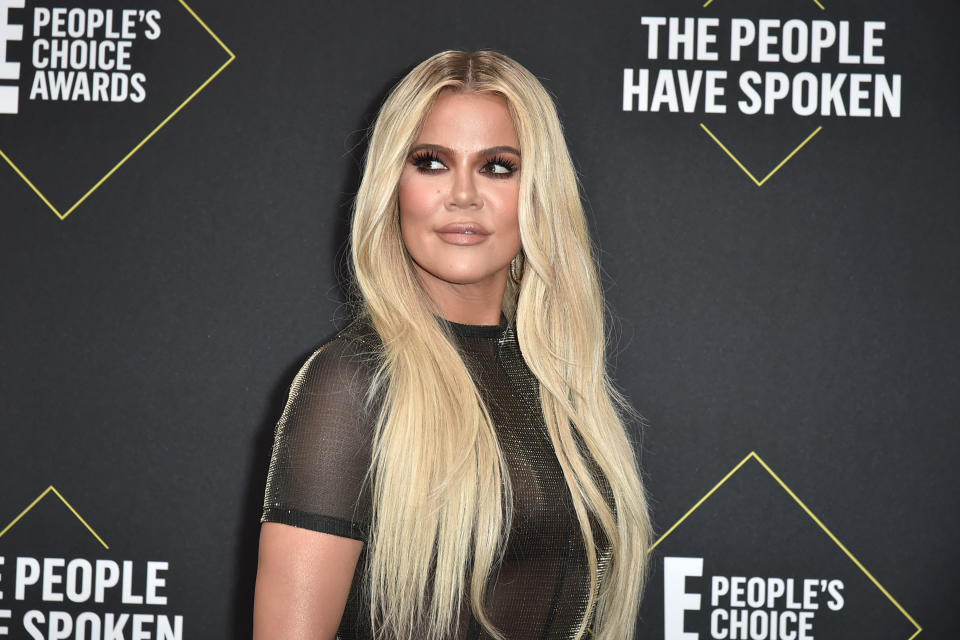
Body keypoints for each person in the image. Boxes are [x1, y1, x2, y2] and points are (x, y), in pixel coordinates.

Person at [252, 50, 652, 640]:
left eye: (497, 167)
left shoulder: (560, 387)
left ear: (539, 190)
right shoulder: (353, 382)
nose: (462, 195)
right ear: (393, 184)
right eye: (432, 162)